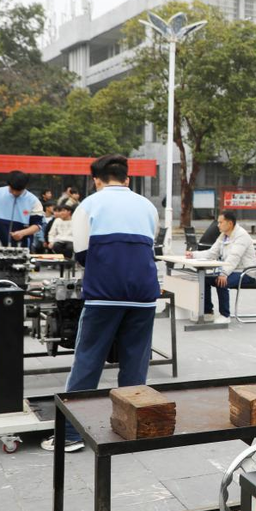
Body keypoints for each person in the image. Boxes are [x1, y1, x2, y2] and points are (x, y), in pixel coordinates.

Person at [42, 155, 158, 452]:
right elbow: (150, 244)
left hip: (104, 295)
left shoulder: (88, 205)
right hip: (144, 295)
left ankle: (70, 434)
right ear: (127, 179)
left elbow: (81, 253)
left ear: (96, 180)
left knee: (88, 361)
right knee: (135, 364)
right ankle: (132, 429)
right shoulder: (147, 205)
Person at [186, 210, 256, 319]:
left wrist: (224, 273)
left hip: (246, 272)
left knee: (221, 281)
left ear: (230, 223)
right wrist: (193, 254)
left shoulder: (241, 235)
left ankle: (225, 316)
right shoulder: (224, 235)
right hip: (231, 270)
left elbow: (234, 257)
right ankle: (207, 312)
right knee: (204, 279)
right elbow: (212, 253)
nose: (218, 225)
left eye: (221, 222)